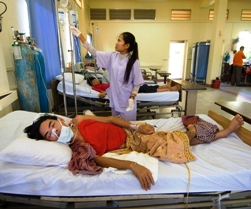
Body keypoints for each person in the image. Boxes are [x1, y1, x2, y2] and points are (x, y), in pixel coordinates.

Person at [24, 112, 244, 191]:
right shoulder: (77, 150)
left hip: (133, 132)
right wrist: (133, 164)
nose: (55, 132)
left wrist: (138, 127)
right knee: (172, 142)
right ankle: (223, 133)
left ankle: (221, 133)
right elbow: (99, 160)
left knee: (174, 140)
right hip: (135, 145)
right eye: (49, 135)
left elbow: (110, 119)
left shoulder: (80, 120)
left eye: (53, 125)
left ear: (58, 120)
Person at [70, 26, 144, 121]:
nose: (116, 43)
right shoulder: (113, 56)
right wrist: (80, 36)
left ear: (127, 45)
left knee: (128, 126)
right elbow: (94, 52)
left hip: (127, 100)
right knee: (117, 126)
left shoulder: (134, 62)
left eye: (119, 40)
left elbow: (137, 82)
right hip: (115, 98)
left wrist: (132, 97)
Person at [87, 74, 180, 99]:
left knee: (144, 86)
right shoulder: (95, 87)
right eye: (93, 80)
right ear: (92, 83)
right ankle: (169, 89)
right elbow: (102, 93)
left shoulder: (100, 83)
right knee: (145, 88)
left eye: (95, 78)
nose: (96, 79)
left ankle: (166, 86)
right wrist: (105, 92)